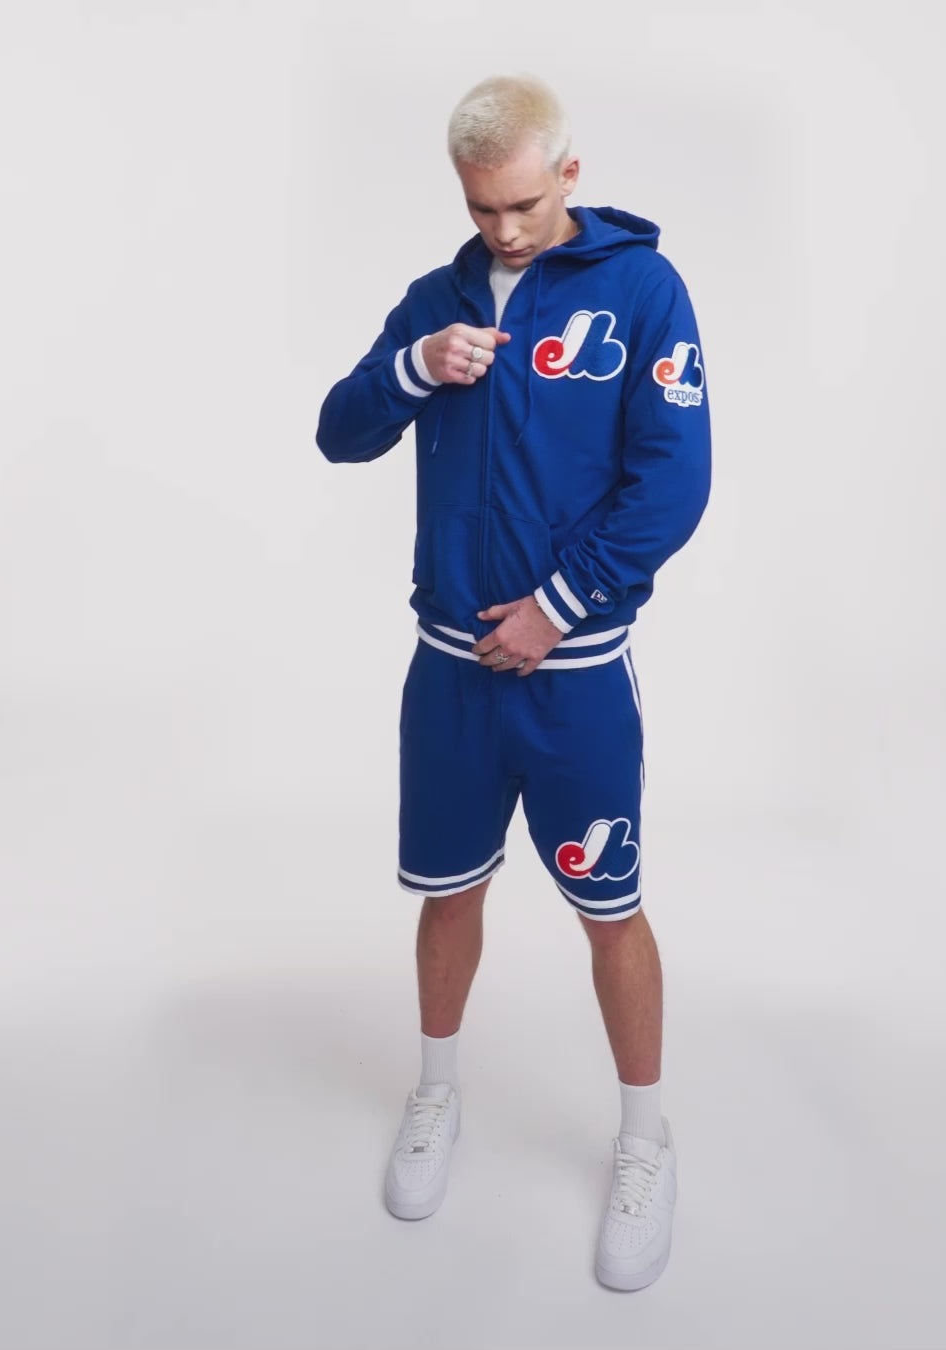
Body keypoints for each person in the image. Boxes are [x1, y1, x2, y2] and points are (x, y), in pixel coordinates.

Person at [315, 74, 711, 1291]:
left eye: (525, 205)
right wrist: (413, 368)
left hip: (574, 679)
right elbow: (338, 431)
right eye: (482, 208)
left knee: (609, 907)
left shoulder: (642, 291)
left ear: (571, 174)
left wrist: (558, 609)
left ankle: (644, 1141)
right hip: (448, 677)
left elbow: (674, 480)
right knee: (448, 895)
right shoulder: (435, 301)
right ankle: (437, 1094)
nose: (503, 230)